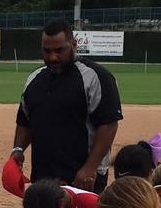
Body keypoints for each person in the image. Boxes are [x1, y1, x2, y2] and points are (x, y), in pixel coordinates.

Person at [12, 19, 123, 194]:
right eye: (47, 51)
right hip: (43, 176)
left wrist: (90, 167)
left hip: (81, 177)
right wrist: (18, 150)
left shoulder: (96, 76)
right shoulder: (34, 79)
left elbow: (108, 124)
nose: (52, 57)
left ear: (73, 44)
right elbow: (25, 121)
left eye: (59, 50)